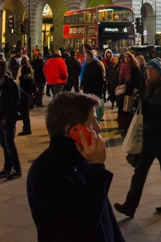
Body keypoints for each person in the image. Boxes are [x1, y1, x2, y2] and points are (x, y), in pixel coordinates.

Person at [26, 91, 124, 242]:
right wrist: (98, 168)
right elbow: (83, 226)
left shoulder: (83, 157)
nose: (97, 128)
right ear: (72, 131)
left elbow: (105, 215)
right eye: (91, 122)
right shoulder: (47, 171)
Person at [114, 59, 161, 217]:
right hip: (146, 135)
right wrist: (134, 105)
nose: (149, 72)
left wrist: (145, 106)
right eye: (148, 69)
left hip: (160, 135)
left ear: (159, 72)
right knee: (139, 172)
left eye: (152, 69)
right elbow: (139, 108)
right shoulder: (145, 87)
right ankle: (130, 206)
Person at [0, 59, 23, 180]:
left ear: (4, 69)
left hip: (7, 119)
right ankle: (7, 168)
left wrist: (6, 118)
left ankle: (17, 169)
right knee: (4, 144)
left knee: (9, 144)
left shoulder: (11, 84)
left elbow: (14, 103)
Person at [114, 51, 140, 134]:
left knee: (129, 112)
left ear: (131, 58)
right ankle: (125, 129)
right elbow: (118, 80)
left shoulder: (134, 68)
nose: (126, 59)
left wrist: (135, 89)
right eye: (125, 57)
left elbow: (137, 81)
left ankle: (129, 129)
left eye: (128, 57)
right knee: (123, 111)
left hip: (130, 92)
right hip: (122, 93)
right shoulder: (121, 67)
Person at [18, 61, 36, 136]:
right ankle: (27, 128)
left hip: (23, 97)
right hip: (29, 96)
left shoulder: (22, 78)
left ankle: (26, 128)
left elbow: (19, 88)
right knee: (26, 114)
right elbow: (35, 89)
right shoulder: (32, 78)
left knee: (24, 114)